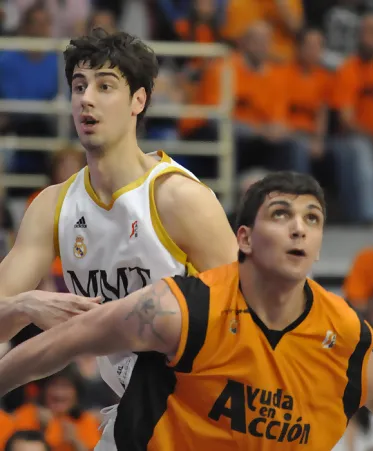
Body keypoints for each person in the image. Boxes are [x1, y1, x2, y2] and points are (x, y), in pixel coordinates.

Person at [1, 171, 373, 450]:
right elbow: (66, 340)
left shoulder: (340, 333)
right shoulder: (182, 308)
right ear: (244, 239)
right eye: (281, 214)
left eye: (312, 219)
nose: (299, 228)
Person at [0, 28, 237, 450]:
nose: (86, 98)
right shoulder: (52, 206)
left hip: (208, 413)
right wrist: (24, 305)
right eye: (79, 86)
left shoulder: (179, 198)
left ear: (138, 100)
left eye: (105, 86)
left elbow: (251, 318)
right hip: (136, 409)